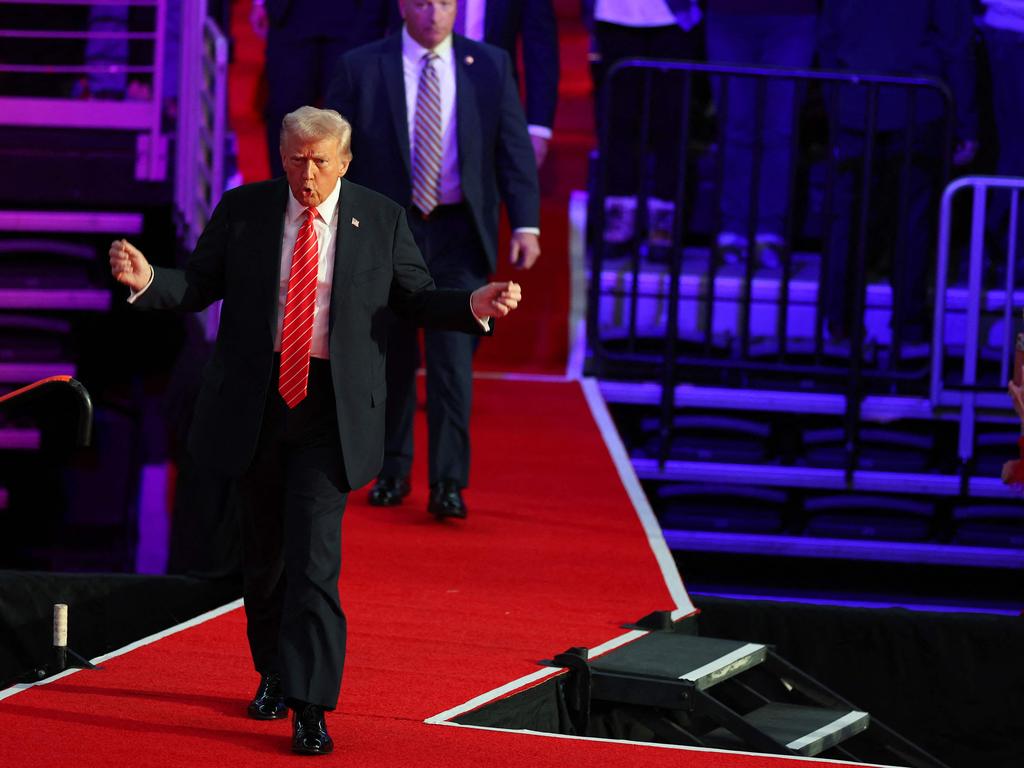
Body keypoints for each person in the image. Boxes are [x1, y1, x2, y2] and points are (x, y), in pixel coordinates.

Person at [108, 106, 522, 755]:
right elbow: (199, 285)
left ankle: (312, 706)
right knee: (265, 561)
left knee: (314, 563)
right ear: (281, 153)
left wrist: (472, 304)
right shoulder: (245, 210)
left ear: (345, 161)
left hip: (331, 409)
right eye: (297, 158)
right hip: (256, 404)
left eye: (321, 161)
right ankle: (274, 672)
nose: (308, 174)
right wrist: (150, 280)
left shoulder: (380, 219)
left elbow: (414, 298)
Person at [326, 0, 541, 520]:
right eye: (422, 1)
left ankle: (448, 482)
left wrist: (527, 225)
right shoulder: (361, 65)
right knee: (393, 359)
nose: (433, 13)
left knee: (452, 364)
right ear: (404, 5)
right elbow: (334, 155)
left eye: (445, 2)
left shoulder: (488, 63)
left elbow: (512, 148)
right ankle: (393, 472)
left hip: (459, 234)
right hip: (389, 234)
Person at [818, 0, 978, 348]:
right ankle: (908, 330)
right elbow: (957, 41)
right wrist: (967, 123)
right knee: (911, 222)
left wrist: (835, 102)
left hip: (858, 100)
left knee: (847, 218)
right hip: (916, 102)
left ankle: (840, 326)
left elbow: (827, 35)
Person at [704, 0, 818, 268]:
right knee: (735, 124)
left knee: (781, 128)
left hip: (794, 18)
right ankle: (733, 230)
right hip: (727, 15)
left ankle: (770, 232)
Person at [250, 0, 398, 177]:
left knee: (350, 120)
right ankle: (286, 198)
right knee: (286, 116)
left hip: (356, 17)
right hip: (292, 16)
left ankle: (349, 200)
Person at [452, 0, 560, 168]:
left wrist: (538, 128)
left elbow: (540, 45)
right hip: (418, 93)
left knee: (481, 187)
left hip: (488, 103)